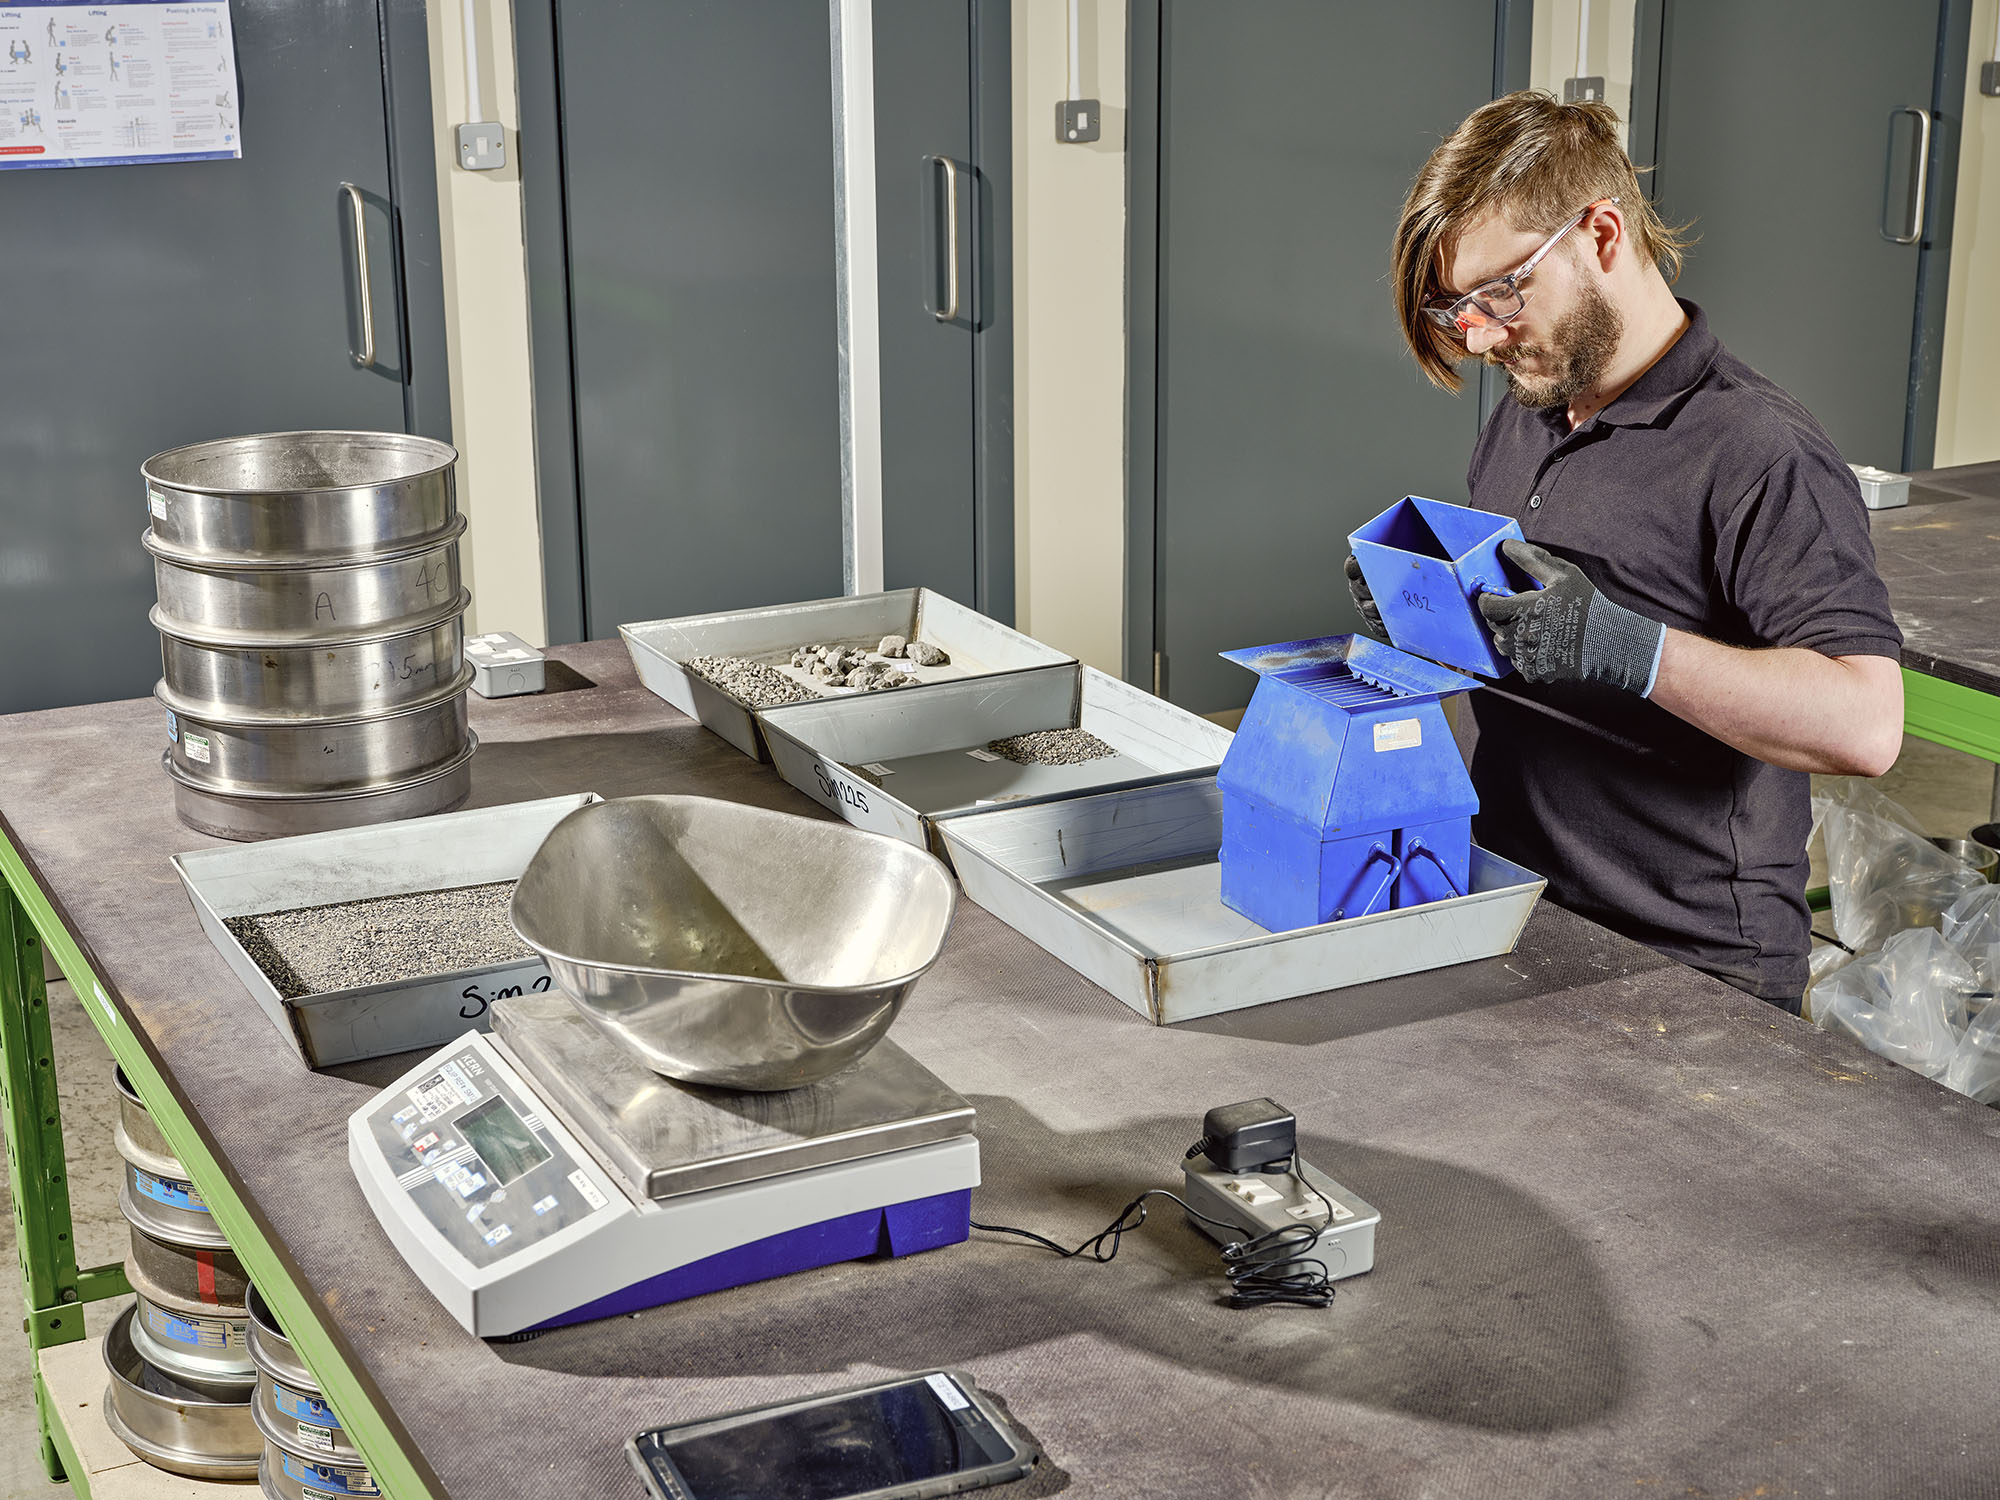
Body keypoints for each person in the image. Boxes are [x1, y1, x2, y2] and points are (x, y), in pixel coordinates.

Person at [1346, 92, 1903, 1010]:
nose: (1479, 335)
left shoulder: (1759, 453)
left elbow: (1866, 726)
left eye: (1500, 292)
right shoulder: (1532, 411)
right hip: (1518, 911)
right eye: (1458, 311)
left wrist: (1629, 648)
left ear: (1600, 234)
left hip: (1685, 969)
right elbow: (1544, 656)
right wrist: (1430, 614)